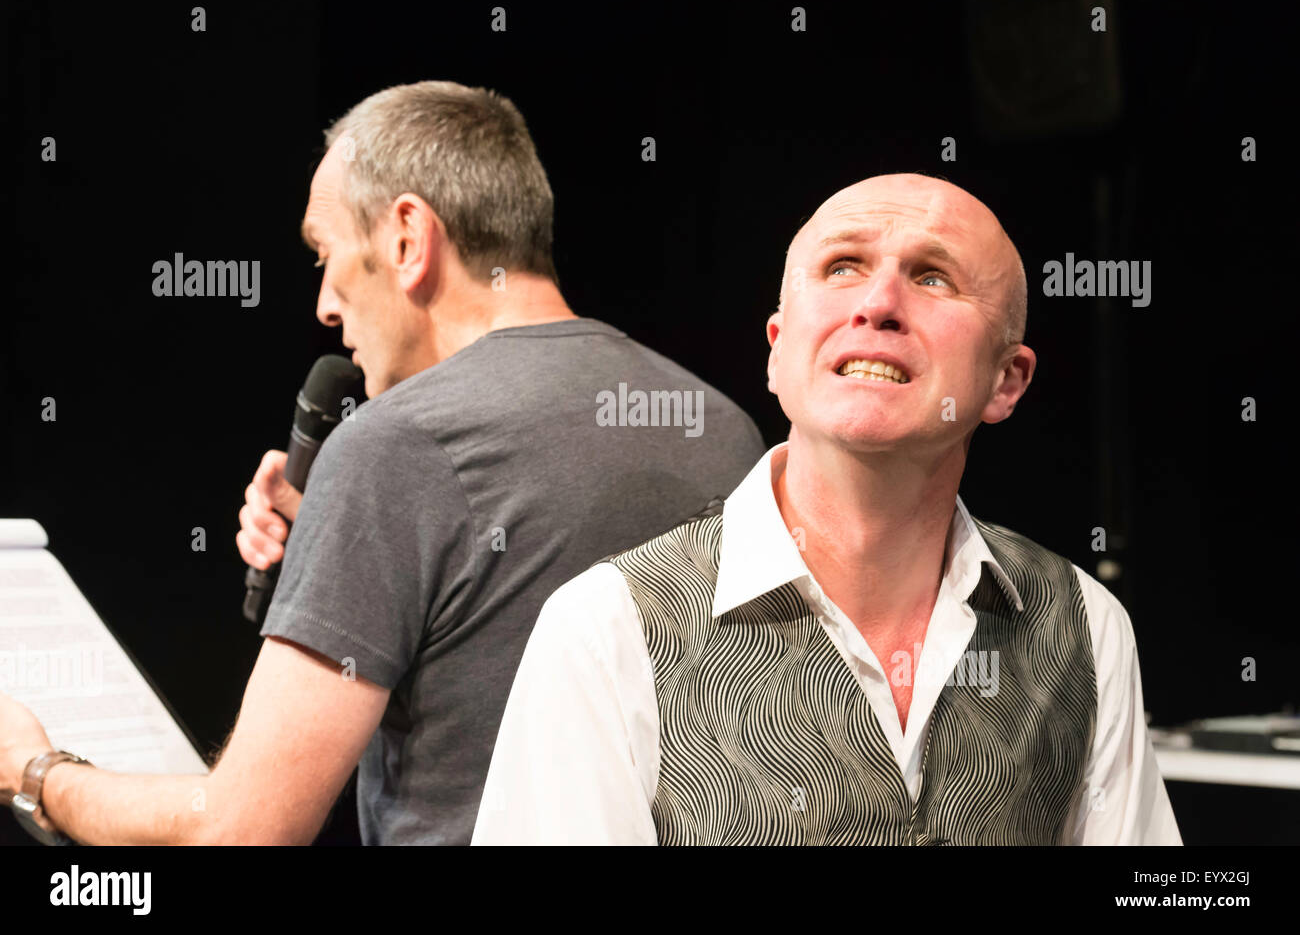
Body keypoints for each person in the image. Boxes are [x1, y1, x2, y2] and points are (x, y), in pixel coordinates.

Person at [0, 81, 765, 845]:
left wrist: (37, 771)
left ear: (407, 239)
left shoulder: (394, 446)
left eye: (324, 252)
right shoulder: (725, 431)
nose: (325, 305)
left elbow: (236, 831)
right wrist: (343, 564)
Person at [472, 173, 1182, 845]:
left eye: (933, 276)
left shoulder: (1084, 626)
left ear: (1007, 379)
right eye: (842, 266)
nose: (876, 303)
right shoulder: (607, 629)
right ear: (777, 353)